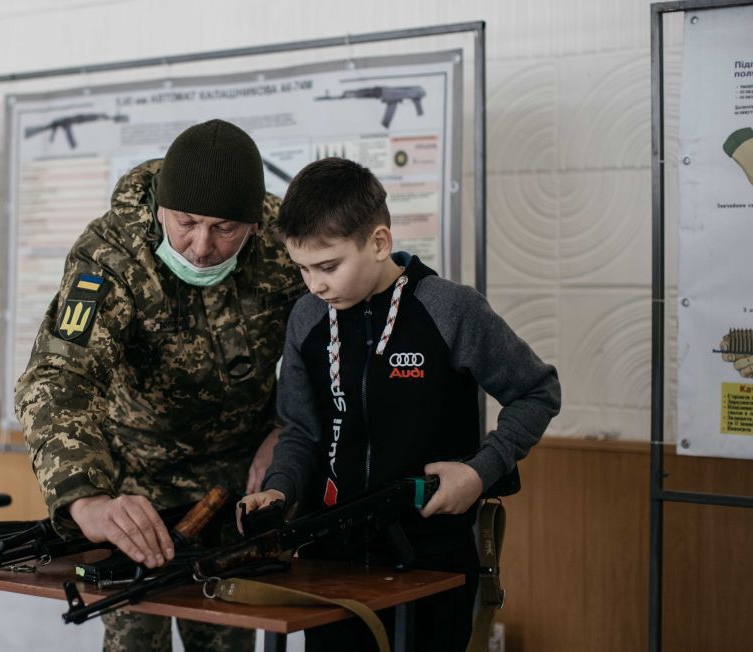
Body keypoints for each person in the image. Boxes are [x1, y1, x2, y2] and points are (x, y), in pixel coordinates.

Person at [237, 158, 561, 651]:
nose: (315, 284)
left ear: (379, 243)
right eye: (302, 268)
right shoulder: (306, 319)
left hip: (435, 557)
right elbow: (300, 430)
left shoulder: (449, 308)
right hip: (332, 561)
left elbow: (538, 392)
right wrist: (280, 491)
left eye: (328, 266)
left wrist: (479, 472)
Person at [15, 119, 302, 651]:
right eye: (186, 222)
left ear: (255, 224)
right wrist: (87, 499)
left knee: (225, 637)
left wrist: (290, 429)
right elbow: (58, 376)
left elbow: (337, 343)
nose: (200, 246)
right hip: (131, 485)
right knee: (134, 637)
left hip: (237, 483)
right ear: (161, 209)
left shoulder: (287, 246)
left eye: (225, 229)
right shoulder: (111, 254)